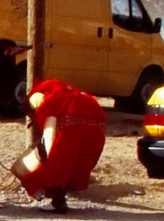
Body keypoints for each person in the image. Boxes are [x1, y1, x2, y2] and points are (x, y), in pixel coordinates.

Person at [12, 78, 107, 213]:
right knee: (74, 163)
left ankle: (58, 201)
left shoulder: (36, 97)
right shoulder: (65, 90)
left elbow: (48, 115)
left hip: (71, 122)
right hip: (96, 122)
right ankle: (59, 198)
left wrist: (47, 150)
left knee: (57, 162)